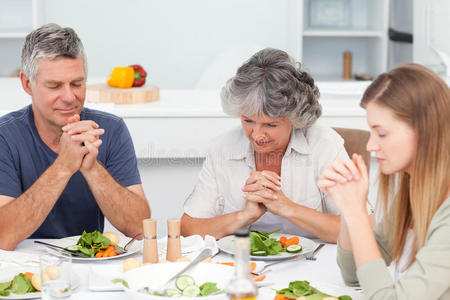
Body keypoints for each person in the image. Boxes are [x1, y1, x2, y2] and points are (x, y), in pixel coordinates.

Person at [0, 23, 151, 250]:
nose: (70, 97)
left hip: (88, 265)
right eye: (55, 86)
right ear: (27, 84)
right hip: (21, 268)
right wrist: (63, 166)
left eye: (77, 84)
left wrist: (92, 168)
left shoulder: (111, 129)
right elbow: (3, 236)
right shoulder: (5, 136)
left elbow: (140, 228)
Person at [181, 48, 349, 243]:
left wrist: (287, 208)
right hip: (243, 267)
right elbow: (188, 229)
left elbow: (358, 230)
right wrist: (245, 215)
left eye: (271, 124)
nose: (257, 135)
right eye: (248, 121)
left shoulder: (325, 144)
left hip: (313, 267)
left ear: (295, 118)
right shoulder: (223, 148)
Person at [318, 63, 450, 299]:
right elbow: (355, 275)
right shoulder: (415, 189)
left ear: (425, 130)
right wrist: (350, 211)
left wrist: (357, 213)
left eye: (382, 133)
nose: (370, 145)